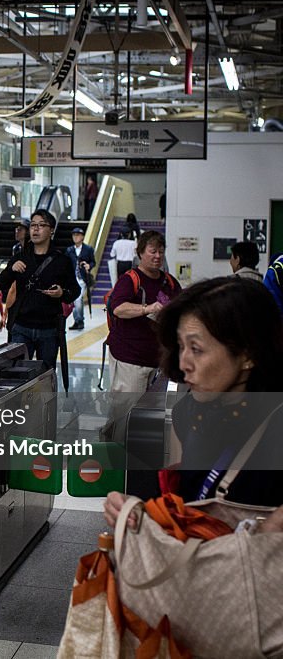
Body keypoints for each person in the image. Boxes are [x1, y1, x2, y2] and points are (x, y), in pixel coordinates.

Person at [104, 277, 283, 531]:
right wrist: (142, 513)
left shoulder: (276, 425)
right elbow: (185, 501)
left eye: (197, 349)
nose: (183, 363)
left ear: (247, 355)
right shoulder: (187, 413)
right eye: (180, 346)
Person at [0, 209, 79, 370]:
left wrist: (62, 293)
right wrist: (11, 269)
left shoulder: (61, 261)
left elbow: (74, 291)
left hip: (49, 329)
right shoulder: (21, 257)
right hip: (21, 327)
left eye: (41, 225)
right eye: (33, 225)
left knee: (46, 375)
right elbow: (1, 284)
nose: (35, 229)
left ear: (51, 230)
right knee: (18, 374)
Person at [105, 231, 181, 394]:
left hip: (158, 360)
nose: (157, 256)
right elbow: (118, 309)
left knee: (148, 413)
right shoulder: (130, 279)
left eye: (161, 251)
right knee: (125, 411)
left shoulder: (170, 282)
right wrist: (147, 308)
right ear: (140, 253)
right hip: (130, 359)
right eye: (152, 251)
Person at [65, 227, 96, 331]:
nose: (75, 237)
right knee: (75, 300)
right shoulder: (69, 250)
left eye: (78, 235)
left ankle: (79, 320)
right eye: (74, 235)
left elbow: (93, 262)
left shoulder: (88, 249)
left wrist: (89, 266)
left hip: (82, 278)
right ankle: (78, 320)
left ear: (82, 237)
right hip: (71, 278)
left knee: (78, 299)